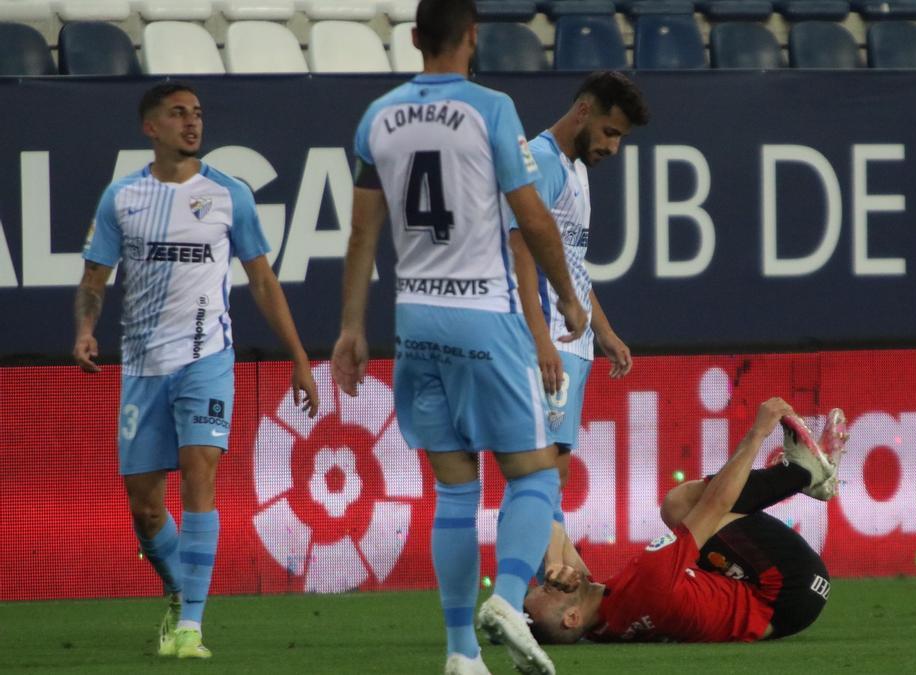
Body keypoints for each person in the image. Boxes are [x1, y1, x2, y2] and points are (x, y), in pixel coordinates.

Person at [331, 1, 586, 673]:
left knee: (453, 488)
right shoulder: (491, 109)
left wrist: (352, 326)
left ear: (414, 39)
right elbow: (532, 219)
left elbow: (362, 232)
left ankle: (460, 652)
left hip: (415, 322)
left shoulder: (377, 117)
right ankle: (505, 597)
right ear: (473, 38)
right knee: (534, 472)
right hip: (485, 314)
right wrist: (564, 295)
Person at [73, 82, 319, 660]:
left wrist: (300, 358)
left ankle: (191, 627)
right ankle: (182, 590)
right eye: (178, 114)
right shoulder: (122, 198)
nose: (192, 123)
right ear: (150, 128)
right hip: (142, 365)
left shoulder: (229, 194)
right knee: (146, 506)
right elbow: (92, 281)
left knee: (199, 473)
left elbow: (262, 280)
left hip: (207, 359)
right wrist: (85, 331)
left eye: (198, 114)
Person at [524, 402, 849, 644]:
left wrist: (553, 563)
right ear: (571, 617)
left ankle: (808, 476)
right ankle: (802, 473)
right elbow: (715, 505)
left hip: (775, 605)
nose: (550, 581)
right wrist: (758, 433)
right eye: (550, 590)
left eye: (544, 581)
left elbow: (548, 527)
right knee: (681, 505)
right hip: (790, 587)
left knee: (687, 509)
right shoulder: (649, 583)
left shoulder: (601, 623)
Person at [508, 70, 649, 538]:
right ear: (584, 111)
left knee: (554, 470)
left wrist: (602, 330)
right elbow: (521, 251)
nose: (613, 147)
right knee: (539, 471)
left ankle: (548, 582)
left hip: (574, 340)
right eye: (611, 132)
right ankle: (541, 585)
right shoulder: (542, 161)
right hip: (549, 337)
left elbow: (569, 262)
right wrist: (537, 340)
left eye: (620, 138)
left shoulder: (577, 170)